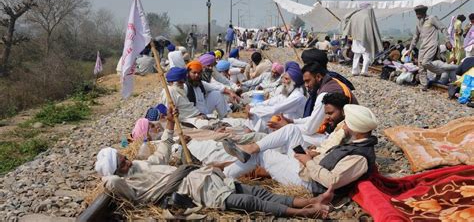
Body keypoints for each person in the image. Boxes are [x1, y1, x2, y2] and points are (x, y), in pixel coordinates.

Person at [95, 110, 334, 218]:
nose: (127, 159)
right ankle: (306, 213)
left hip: (205, 176)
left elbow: (162, 153)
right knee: (249, 202)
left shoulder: (141, 165)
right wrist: (106, 173)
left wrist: (169, 127)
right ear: (115, 170)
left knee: (256, 191)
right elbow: (113, 182)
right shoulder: (130, 185)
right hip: (194, 190)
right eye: (121, 161)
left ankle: (311, 201)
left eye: (123, 156)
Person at [223, 103, 375, 200]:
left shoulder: (359, 157)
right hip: (308, 167)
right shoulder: (356, 144)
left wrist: (308, 162)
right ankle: (251, 147)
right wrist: (314, 154)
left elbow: (332, 181)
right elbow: (334, 159)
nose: (343, 127)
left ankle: (224, 178)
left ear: (357, 129)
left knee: (263, 154)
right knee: (291, 130)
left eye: (346, 124)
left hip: (308, 181)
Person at [244, 62, 307, 133]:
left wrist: (253, 110)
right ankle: (247, 135)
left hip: (290, 124)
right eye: (283, 78)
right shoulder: (288, 91)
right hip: (281, 118)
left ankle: (248, 137)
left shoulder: (297, 96)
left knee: (262, 118)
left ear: (294, 82)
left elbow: (275, 109)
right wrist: (252, 105)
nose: (283, 81)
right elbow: (272, 101)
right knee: (259, 116)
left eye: (286, 79)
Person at [406, 5, 450, 91]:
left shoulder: (432, 18)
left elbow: (443, 28)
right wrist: (410, 49)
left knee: (426, 63)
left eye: (419, 14)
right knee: (421, 66)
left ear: (423, 12)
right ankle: (424, 85)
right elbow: (415, 37)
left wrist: (447, 40)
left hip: (432, 45)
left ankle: (441, 72)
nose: (417, 16)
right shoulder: (418, 23)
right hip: (422, 47)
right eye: (416, 14)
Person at [342, 3, 383, 77]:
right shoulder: (367, 17)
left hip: (356, 38)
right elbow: (370, 30)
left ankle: (354, 70)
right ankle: (364, 70)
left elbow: (346, 19)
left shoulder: (355, 15)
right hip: (365, 39)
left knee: (356, 55)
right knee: (366, 54)